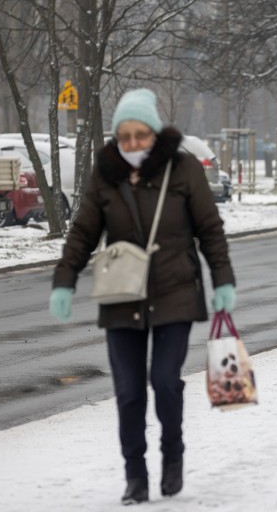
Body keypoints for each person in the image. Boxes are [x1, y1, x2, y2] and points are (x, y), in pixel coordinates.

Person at [48, 88, 236, 505]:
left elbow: (210, 229)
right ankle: (135, 476)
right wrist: (64, 279)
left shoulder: (183, 168)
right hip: (121, 295)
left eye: (141, 134)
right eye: (125, 136)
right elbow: (83, 232)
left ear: (154, 132)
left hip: (175, 292)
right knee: (130, 392)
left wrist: (222, 279)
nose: (132, 144)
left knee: (165, 382)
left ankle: (173, 456)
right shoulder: (105, 174)